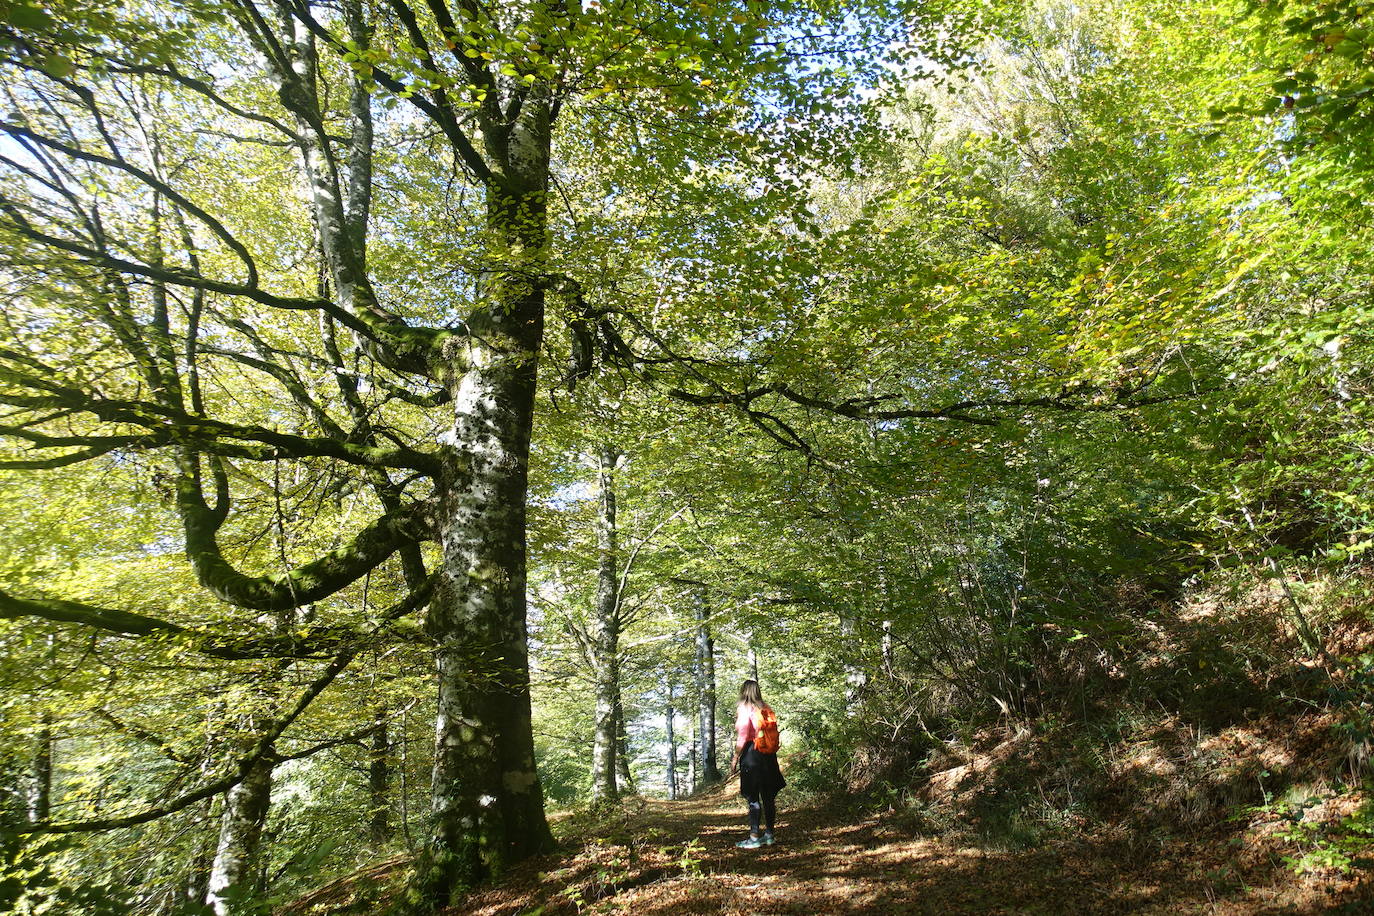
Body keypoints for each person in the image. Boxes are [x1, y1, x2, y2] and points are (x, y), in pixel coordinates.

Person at [729, 678, 785, 848]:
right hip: (768, 756)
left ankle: (754, 837)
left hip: (752, 755)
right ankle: (769, 835)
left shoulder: (745, 708)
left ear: (744, 691)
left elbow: (743, 735)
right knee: (768, 797)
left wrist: (735, 758)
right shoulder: (766, 708)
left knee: (753, 797)